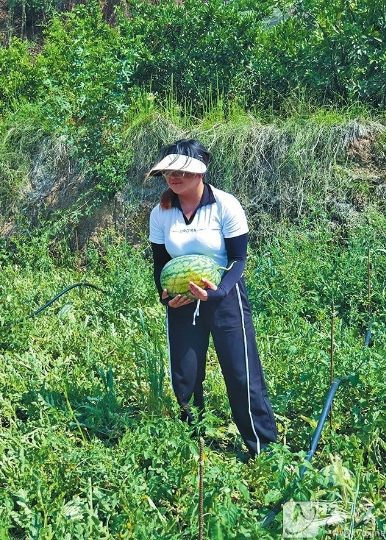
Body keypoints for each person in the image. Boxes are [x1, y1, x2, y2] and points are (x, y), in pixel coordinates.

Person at [147, 139, 277, 457]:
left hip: (225, 298)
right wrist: (166, 298)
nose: (174, 177)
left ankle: (263, 449)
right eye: (168, 171)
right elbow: (161, 264)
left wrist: (217, 292)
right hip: (183, 303)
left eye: (182, 171)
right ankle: (194, 442)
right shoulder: (161, 213)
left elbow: (238, 260)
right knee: (185, 375)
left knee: (241, 374)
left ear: (200, 171)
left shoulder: (224, 205)